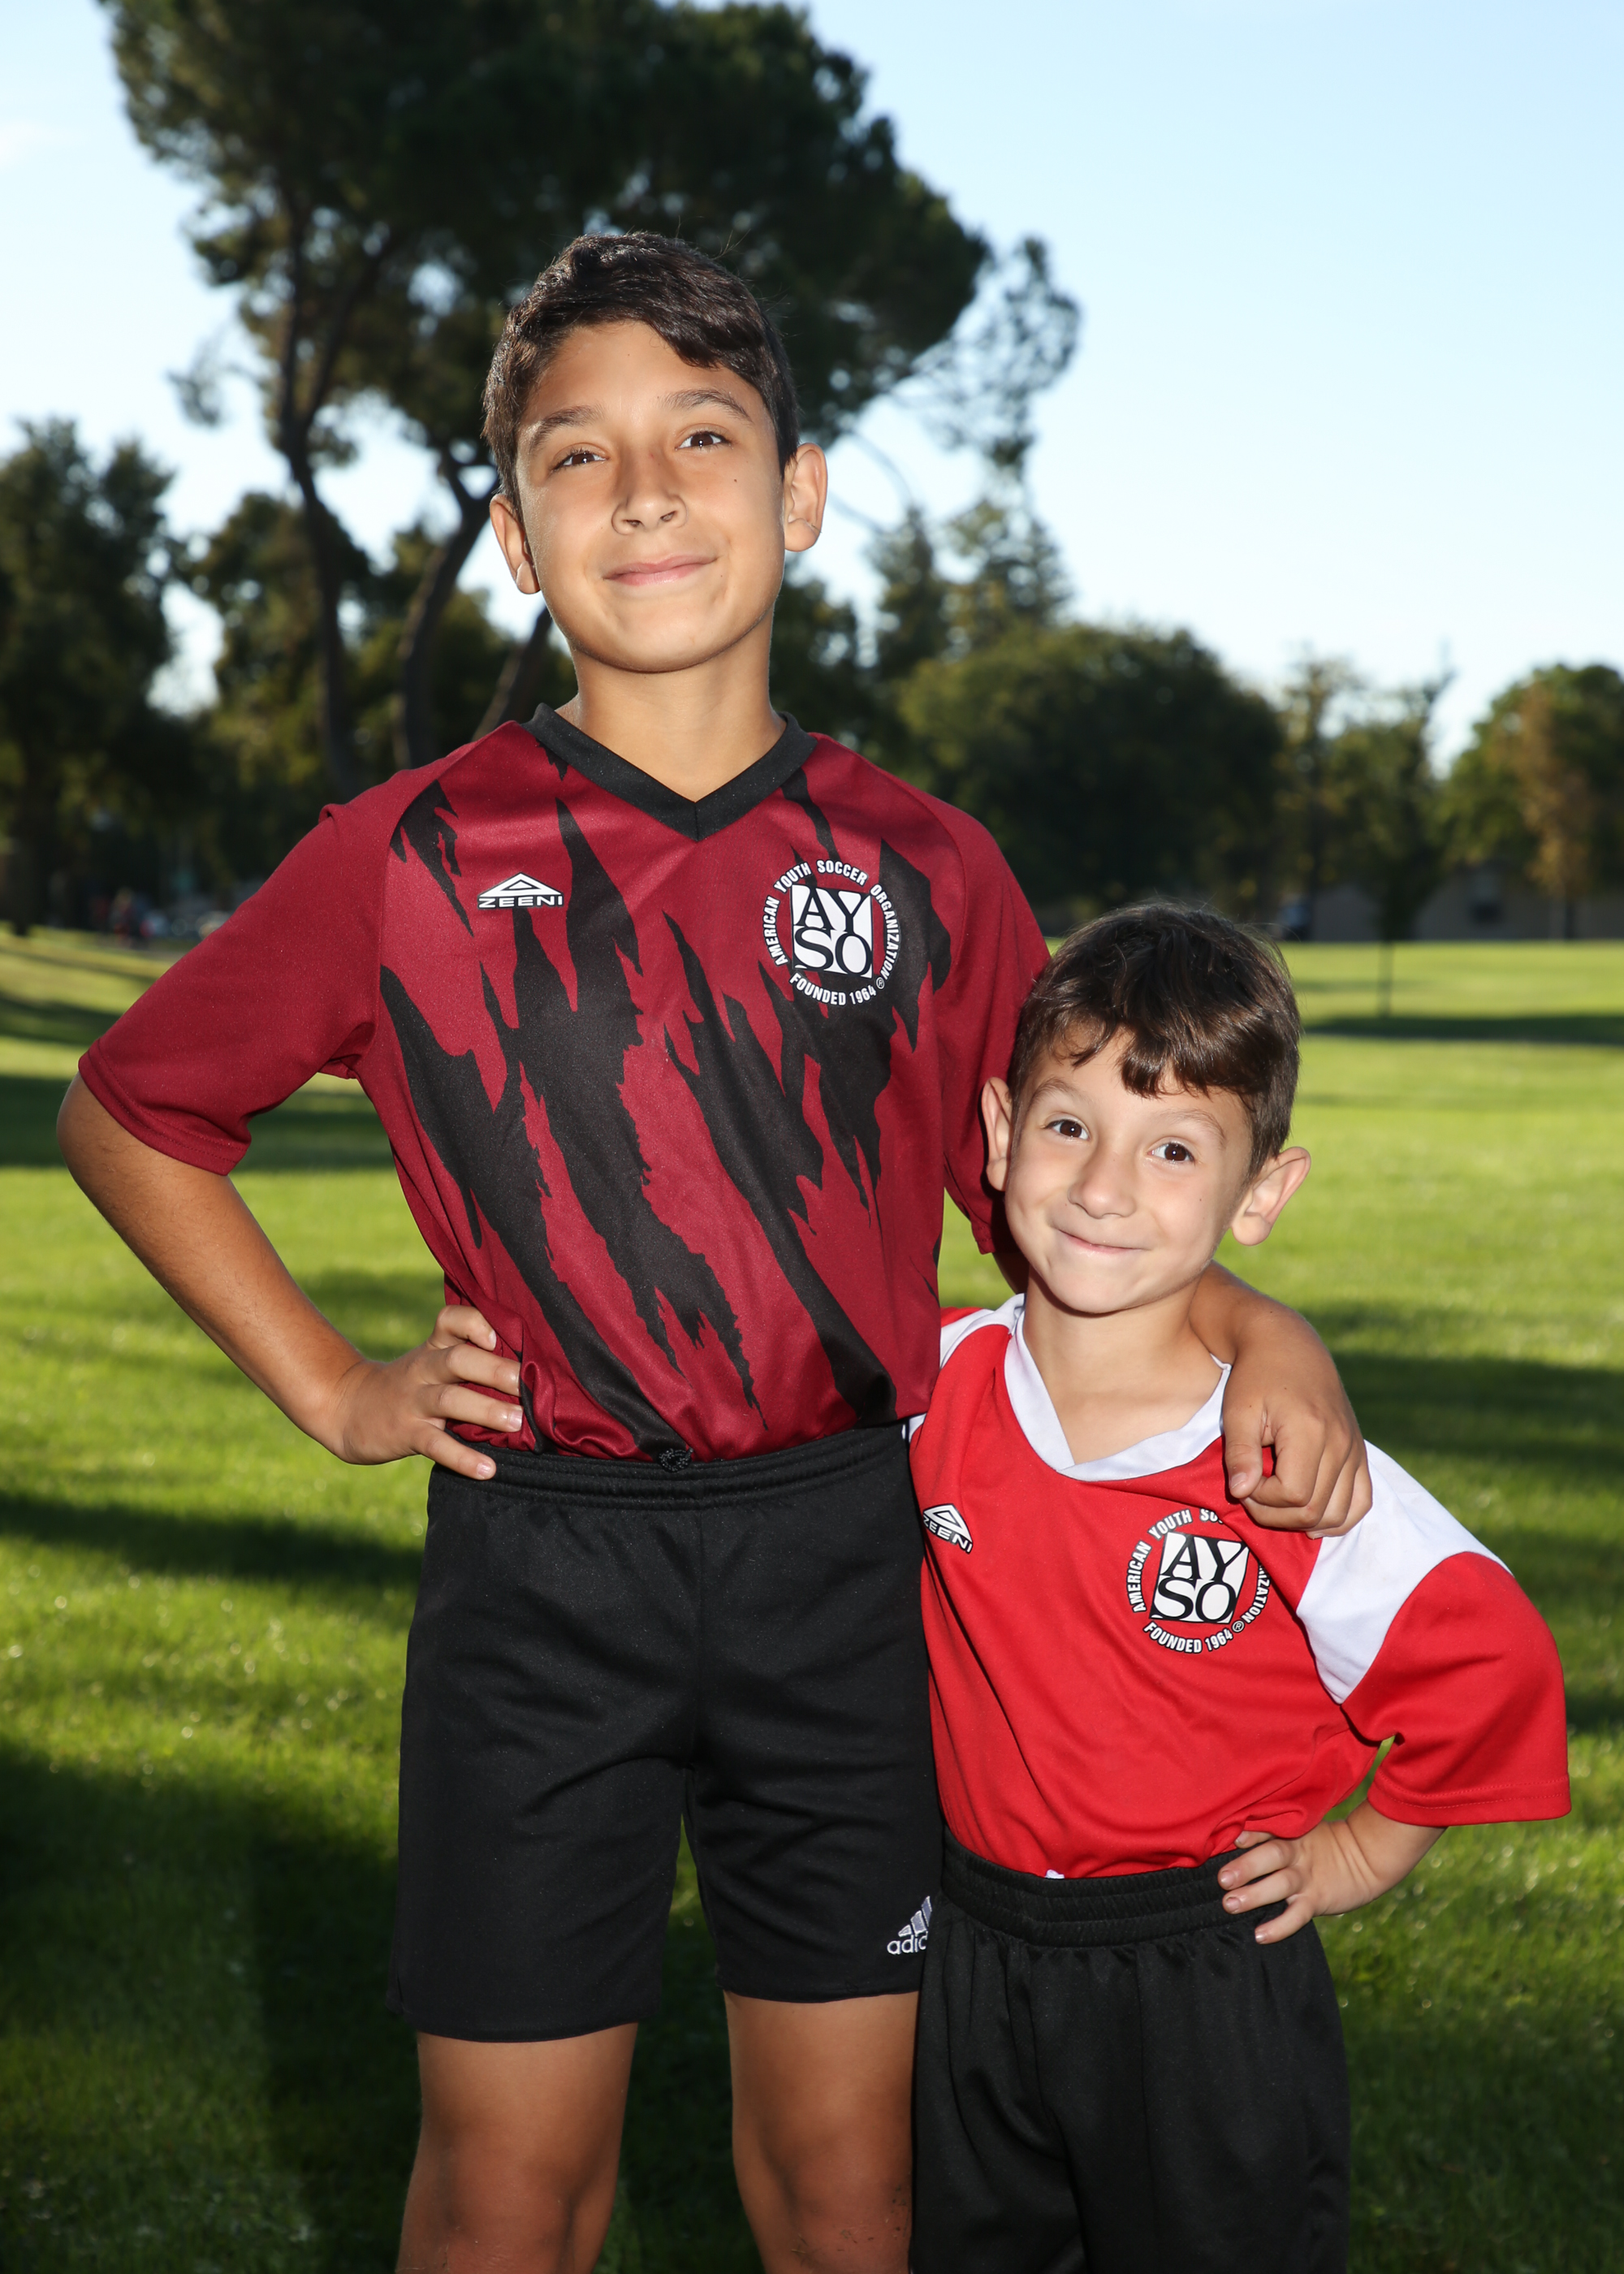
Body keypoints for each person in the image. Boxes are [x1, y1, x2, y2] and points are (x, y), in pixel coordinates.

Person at [58, 235, 1371, 2274]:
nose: (645, 492)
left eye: (700, 436)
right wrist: (337, 1387)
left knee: (851, 2189)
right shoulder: (410, 852)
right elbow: (130, 1108)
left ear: (800, 491)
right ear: (515, 536)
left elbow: (1075, 1200)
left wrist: (1258, 1319)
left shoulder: (929, 867)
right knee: (507, 2193)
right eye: (576, 454)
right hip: (539, 1570)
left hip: (854, 1566)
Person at [907, 904, 1570, 2274]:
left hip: (1201, 1968)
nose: (1103, 1187)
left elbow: (1489, 1661)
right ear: (999, 1132)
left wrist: (1356, 1853)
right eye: (1069, 1125)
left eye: (1173, 1149)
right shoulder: (933, 1387)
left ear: (1261, 1195)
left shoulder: (1277, 1452)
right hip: (975, 1947)